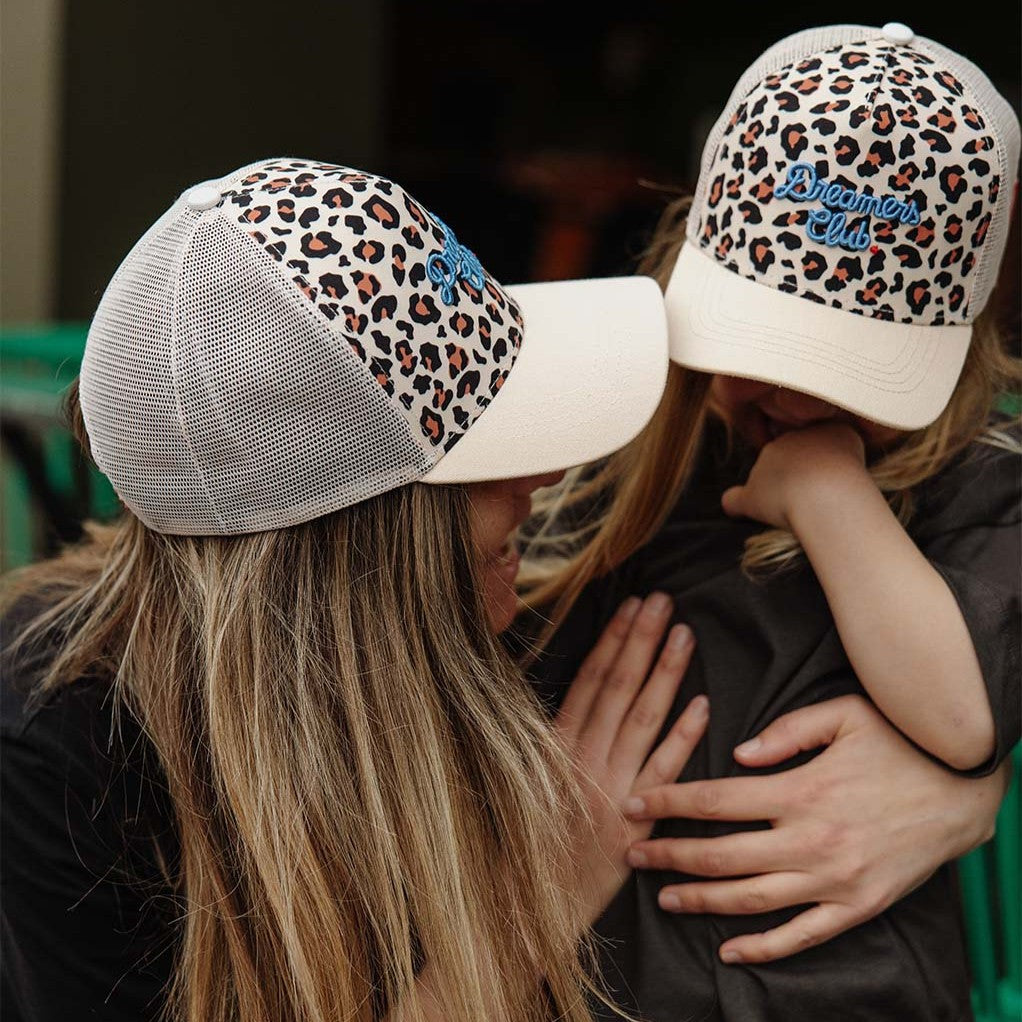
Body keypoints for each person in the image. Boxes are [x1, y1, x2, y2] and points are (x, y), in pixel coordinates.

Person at [0, 157, 710, 1022]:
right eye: (491, 451)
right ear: (358, 551)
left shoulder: (508, 609)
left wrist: (891, 797)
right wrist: (535, 905)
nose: (548, 475)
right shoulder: (62, 757)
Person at [521, 23, 1020, 1021]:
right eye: (766, 349)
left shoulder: (981, 482)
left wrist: (829, 496)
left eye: (846, 368)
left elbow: (964, 719)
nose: (792, 399)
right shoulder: (611, 457)